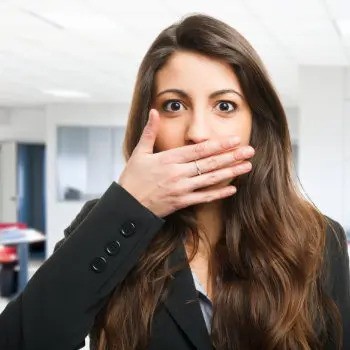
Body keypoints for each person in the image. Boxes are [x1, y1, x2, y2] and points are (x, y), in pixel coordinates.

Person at [0, 14, 349, 350]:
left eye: (225, 106)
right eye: (174, 105)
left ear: (256, 125)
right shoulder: (110, 223)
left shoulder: (320, 239)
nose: (197, 133)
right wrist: (130, 204)